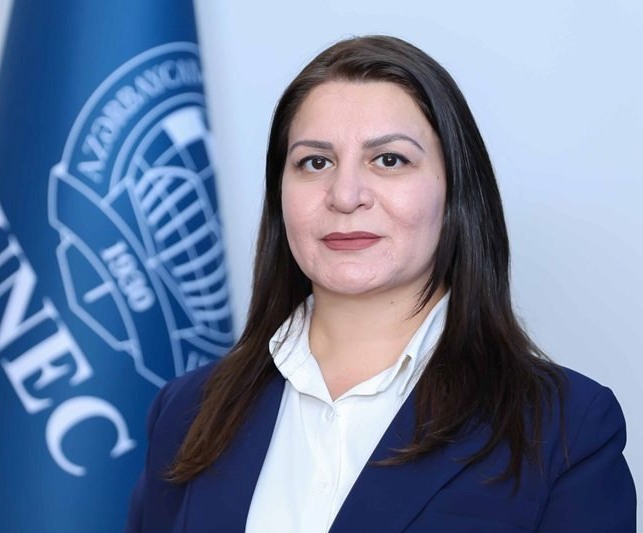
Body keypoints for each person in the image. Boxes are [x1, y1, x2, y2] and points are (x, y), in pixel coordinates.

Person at [125, 35, 636, 532]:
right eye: (315, 162)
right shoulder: (186, 411)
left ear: (456, 191)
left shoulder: (563, 429)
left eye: (389, 160)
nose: (345, 195)